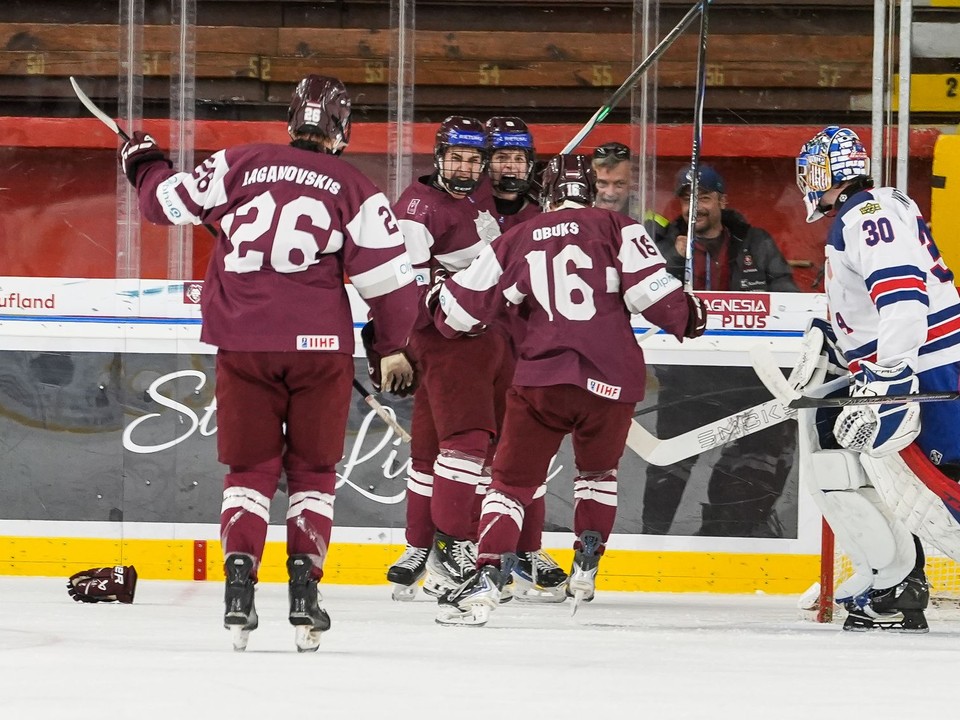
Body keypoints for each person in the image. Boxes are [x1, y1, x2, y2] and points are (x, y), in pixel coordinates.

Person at [118, 74, 418, 651]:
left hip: (245, 346)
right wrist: (386, 346)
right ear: (342, 129)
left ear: (291, 119)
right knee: (312, 473)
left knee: (249, 472)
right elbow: (394, 291)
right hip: (318, 353)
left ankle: (238, 589)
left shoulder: (239, 162)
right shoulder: (353, 186)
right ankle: (305, 594)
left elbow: (160, 204)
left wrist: (143, 162)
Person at [428, 154, 708, 626]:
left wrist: (437, 293)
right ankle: (587, 559)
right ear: (589, 191)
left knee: (511, 485)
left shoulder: (517, 238)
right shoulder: (620, 227)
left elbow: (460, 314)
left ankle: (489, 574)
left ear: (547, 192)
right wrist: (690, 312)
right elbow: (659, 303)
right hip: (613, 382)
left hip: (543, 380)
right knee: (597, 474)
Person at [791, 125, 960, 630]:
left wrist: (887, 376)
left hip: (929, 370)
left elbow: (904, 300)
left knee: (943, 486)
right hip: (923, 365)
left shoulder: (866, 215)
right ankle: (894, 586)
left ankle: (897, 585)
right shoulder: (874, 209)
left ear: (824, 172)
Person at [385, 116, 514, 602]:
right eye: (456, 158)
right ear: (438, 157)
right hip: (446, 337)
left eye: (472, 159)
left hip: (480, 336)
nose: (464, 167)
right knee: (467, 442)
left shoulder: (472, 196)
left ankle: (418, 544)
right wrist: (397, 345)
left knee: (428, 445)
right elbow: (411, 288)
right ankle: (451, 542)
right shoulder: (417, 210)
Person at [643, 164, 799, 537]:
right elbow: (644, 298)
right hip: (683, 381)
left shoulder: (756, 242)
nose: (696, 208)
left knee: (756, 465)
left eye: (705, 198)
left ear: (723, 201)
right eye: (687, 199)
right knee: (667, 467)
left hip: (748, 381)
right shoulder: (663, 245)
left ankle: (730, 536)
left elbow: (791, 301)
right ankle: (647, 540)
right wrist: (675, 259)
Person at [482, 116, 567, 600]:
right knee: (465, 454)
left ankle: (525, 549)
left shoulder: (545, 214)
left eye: (518, 157)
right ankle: (453, 546)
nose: (510, 166)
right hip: (470, 348)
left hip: (526, 352)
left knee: (525, 455)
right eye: (501, 157)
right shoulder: (462, 207)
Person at [591, 141, 633, 216]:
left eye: (620, 184)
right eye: (602, 183)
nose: (610, 193)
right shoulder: (572, 219)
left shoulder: (650, 224)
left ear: (631, 182)